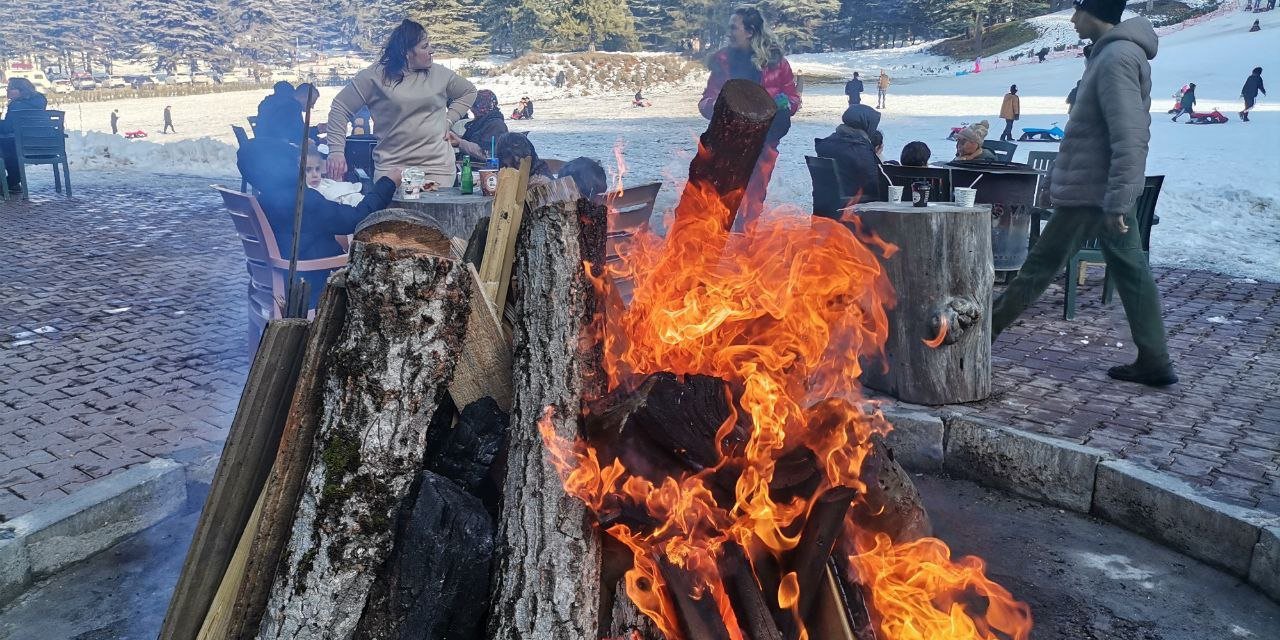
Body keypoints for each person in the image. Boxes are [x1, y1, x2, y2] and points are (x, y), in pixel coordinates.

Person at [993, 0, 1176, 386]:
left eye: (1078, 11)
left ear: (1096, 11)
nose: (1073, 19)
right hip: (1099, 190)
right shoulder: (1109, 55)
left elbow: (1130, 135)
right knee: (1131, 271)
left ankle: (982, 335)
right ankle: (1155, 359)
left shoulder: (1115, 58)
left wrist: (1120, 200)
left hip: (1092, 192)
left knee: (1038, 267)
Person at [238, 137, 400, 309]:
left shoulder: (266, 198)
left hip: (281, 282)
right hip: (312, 287)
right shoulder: (301, 200)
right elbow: (357, 218)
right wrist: (388, 183)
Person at [325, 19, 477, 188]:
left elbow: (469, 91)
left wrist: (449, 119)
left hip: (438, 168)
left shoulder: (439, 74)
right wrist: (336, 151)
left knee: (435, 206)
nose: (431, 51)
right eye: (424, 46)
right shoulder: (374, 76)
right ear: (406, 52)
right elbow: (340, 108)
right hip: (392, 170)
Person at [698, 6, 801, 225]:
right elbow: (706, 101)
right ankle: (715, 240)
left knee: (753, 201)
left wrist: (784, 104)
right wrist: (717, 106)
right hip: (728, 142)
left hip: (764, 143)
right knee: (721, 199)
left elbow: (793, 98)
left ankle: (745, 241)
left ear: (750, 31)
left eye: (733, 28)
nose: (728, 33)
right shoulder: (723, 62)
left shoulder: (777, 63)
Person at [814, 104, 884, 207]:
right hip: (853, 206)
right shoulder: (859, 148)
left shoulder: (828, 142)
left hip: (826, 203)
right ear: (867, 125)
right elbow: (874, 183)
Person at [1, 78, 48, 194]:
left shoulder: (16, 106)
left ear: (21, 90)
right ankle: (12, 182)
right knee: (9, 146)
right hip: (45, 147)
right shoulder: (40, 101)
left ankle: (9, 182)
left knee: (5, 147)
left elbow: (7, 128)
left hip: (23, 148)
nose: (7, 91)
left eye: (10, 88)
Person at [448, 88, 507, 162]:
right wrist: (455, 138)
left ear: (481, 106)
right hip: (467, 164)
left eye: (474, 106)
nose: (471, 110)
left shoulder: (496, 125)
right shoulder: (480, 122)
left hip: (480, 168)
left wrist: (460, 142)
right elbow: (473, 140)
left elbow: (486, 154)